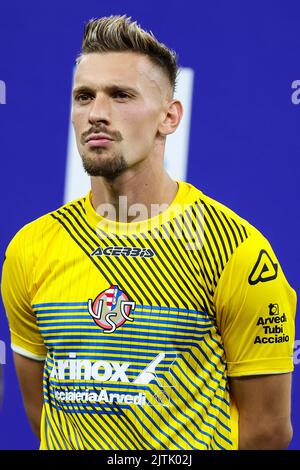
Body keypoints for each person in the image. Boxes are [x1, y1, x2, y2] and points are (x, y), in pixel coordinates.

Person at [1, 15, 296, 451]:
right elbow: (42, 413)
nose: (97, 114)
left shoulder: (235, 248)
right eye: (84, 96)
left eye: (121, 96)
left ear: (169, 117)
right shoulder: (30, 247)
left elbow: (268, 431)